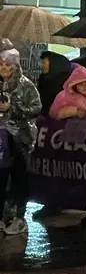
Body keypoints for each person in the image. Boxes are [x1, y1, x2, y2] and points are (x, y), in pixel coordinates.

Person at [0, 48, 41, 236]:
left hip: (20, 139)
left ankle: (19, 216)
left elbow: (36, 108)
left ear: (15, 66)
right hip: (1, 139)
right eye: (1, 64)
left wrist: (12, 108)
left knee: (19, 178)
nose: (3, 68)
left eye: (7, 64)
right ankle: (3, 216)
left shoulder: (26, 85)